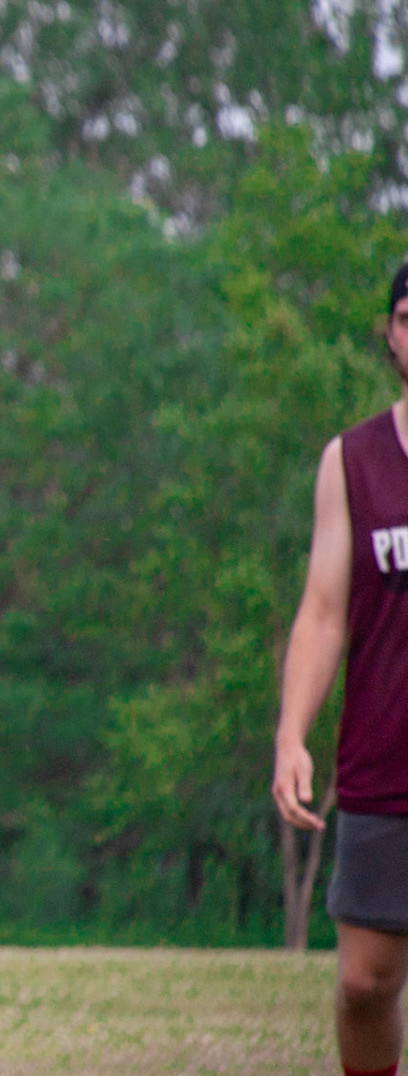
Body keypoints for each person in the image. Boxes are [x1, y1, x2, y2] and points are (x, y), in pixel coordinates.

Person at [273, 262, 408, 1076]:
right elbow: (324, 611)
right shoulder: (353, 460)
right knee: (364, 983)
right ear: (390, 334)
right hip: (383, 758)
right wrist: (291, 735)